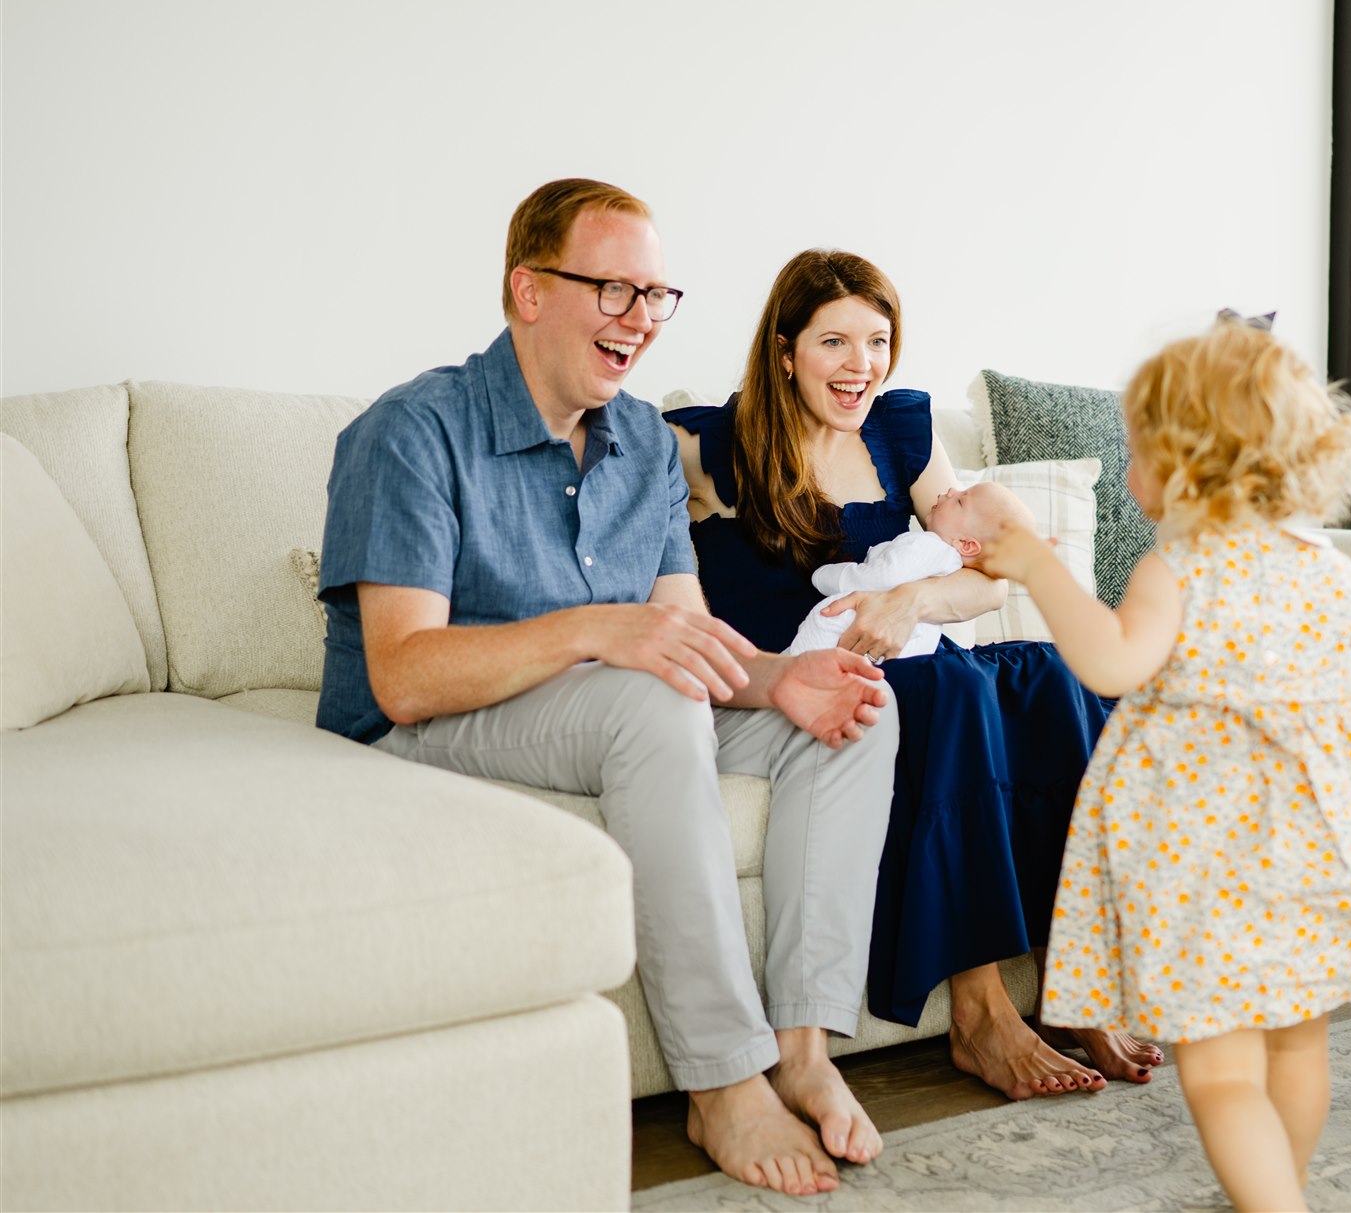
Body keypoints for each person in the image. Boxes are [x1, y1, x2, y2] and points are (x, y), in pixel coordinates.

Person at [316, 180, 897, 1198]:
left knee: (850, 711)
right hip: (442, 721)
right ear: (529, 290)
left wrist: (780, 681)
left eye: (656, 295)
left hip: (616, 714)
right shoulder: (412, 430)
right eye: (613, 290)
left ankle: (802, 1047)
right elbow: (401, 675)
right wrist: (595, 630)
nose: (639, 321)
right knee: (647, 699)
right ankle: (721, 1076)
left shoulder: (642, 447)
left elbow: (686, 642)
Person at [972, 314, 1351, 1211]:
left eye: (1136, 449)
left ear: (1185, 461)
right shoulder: (1326, 564)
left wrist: (1036, 564)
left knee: (1221, 1073)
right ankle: (1280, 1189)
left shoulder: (1174, 569)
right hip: (1317, 845)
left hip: (1208, 855)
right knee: (1299, 1047)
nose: (1130, 468)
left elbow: (1108, 662)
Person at [668, 248, 1166, 1100]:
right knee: (957, 690)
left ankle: (1074, 977)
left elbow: (992, 559)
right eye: (833, 342)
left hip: (909, 649)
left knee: (1053, 674)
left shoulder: (902, 427)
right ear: (784, 350)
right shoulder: (706, 446)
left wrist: (913, 600)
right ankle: (978, 1013)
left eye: (877, 340)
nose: (860, 365)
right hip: (801, 675)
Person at [786, 482, 1009, 657]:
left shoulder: (927, 545)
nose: (951, 490)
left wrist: (823, 575)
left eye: (960, 501)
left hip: (861, 627)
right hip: (905, 652)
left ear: (967, 545)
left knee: (824, 618)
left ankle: (790, 673)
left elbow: (877, 579)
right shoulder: (951, 565)